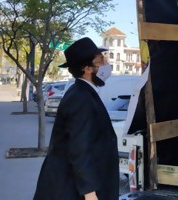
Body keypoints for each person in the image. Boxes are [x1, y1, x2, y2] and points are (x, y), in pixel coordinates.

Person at [34, 37, 119, 200]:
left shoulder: (84, 92)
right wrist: (90, 193)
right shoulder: (80, 98)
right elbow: (80, 148)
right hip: (70, 190)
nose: (106, 63)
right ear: (87, 68)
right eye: (101, 60)